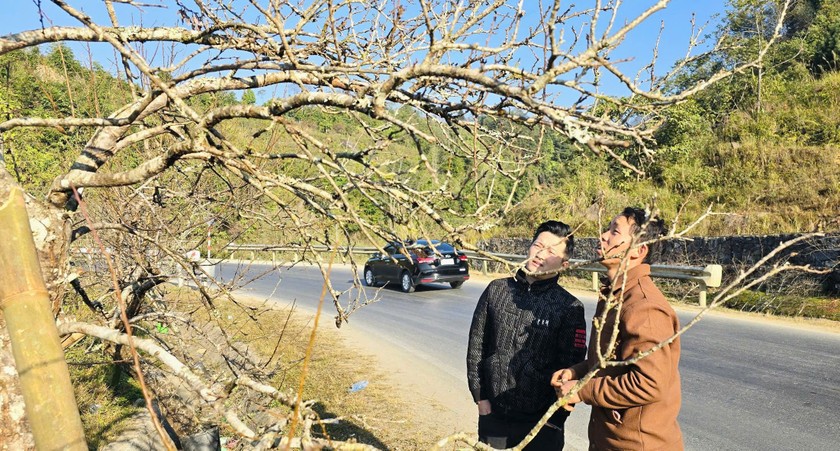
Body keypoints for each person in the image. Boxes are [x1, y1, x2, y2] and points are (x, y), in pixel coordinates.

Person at [552, 207, 683, 450]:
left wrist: (582, 389)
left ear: (638, 250)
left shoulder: (644, 308)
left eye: (614, 231)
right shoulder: (615, 296)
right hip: (610, 440)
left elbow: (648, 383)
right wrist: (576, 372)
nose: (603, 235)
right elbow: (611, 362)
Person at [467, 220, 587, 450]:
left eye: (551, 250)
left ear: (564, 264)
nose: (540, 253)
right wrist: (480, 398)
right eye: (537, 245)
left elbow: (571, 369)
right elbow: (476, 347)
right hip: (494, 416)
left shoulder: (569, 307)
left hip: (541, 425)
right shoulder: (497, 290)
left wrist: (554, 421)